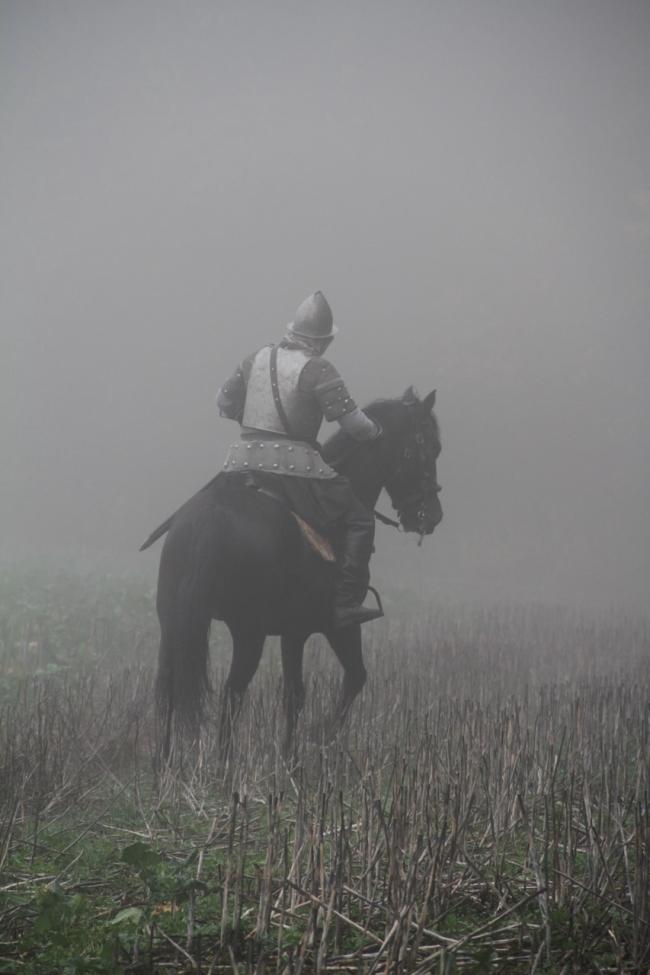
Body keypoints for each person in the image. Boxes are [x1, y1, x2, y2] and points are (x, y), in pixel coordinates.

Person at [216, 291, 383, 628]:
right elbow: (354, 425)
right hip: (294, 465)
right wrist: (377, 432)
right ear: (322, 341)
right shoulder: (319, 369)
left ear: (292, 330)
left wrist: (251, 422)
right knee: (360, 520)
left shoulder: (255, 358)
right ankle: (346, 601)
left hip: (242, 461)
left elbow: (223, 402)